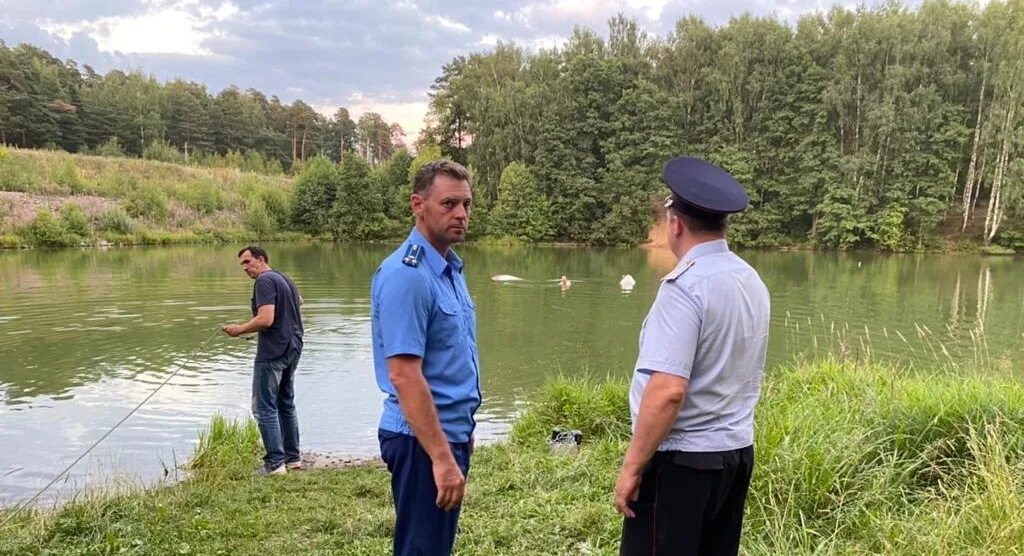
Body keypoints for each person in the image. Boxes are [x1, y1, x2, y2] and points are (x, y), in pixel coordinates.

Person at [614, 157, 771, 556]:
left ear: (676, 223)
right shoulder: (749, 280)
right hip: (735, 455)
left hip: (682, 465)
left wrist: (632, 467)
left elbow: (667, 390)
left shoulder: (685, 288)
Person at [371, 160, 481, 556]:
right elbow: (403, 375)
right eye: (449, 203)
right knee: (423, 550)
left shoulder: (447, 268)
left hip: (444, 433)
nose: (461, 214)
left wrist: (460, 428)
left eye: (467, 204)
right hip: (419, 441)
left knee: (433, 546)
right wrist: (441, 456)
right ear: (418, 204)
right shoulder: (409, 275)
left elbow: (450, 359)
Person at [222, 246, 304, 476]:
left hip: (273, 351)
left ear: (261, 259)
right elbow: (299, 301)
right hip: (293, 346)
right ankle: (293, 458)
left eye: (248, 262)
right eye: (242, 264)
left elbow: (266, 319)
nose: (245, 268)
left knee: (264, 407)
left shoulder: (264, 281)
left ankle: (275, 464)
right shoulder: (284, 278)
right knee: (286, 403)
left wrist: (240, 329)